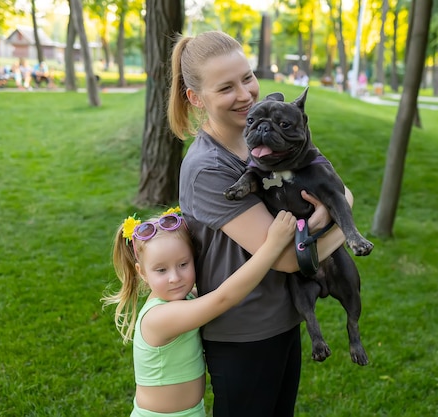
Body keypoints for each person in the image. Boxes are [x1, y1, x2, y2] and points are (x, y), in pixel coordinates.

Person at [167, 31, 351, 417]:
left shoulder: (261, 143)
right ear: (196, 98)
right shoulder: (208, 168)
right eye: (226, 88)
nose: (246, 94)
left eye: (247, 78)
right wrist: (340, 210)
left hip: (283, 316)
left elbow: (328, 186)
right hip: (243, 333)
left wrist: (338, 203)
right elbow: (286, 258)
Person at [104, 207, 298, 417]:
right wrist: (273, 246)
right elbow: (222, 298)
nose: (175, 277)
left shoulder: (185, 299)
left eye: (183, 264)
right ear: (142, 273)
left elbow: (222, 289)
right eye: (161, 270)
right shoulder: (159, 317)